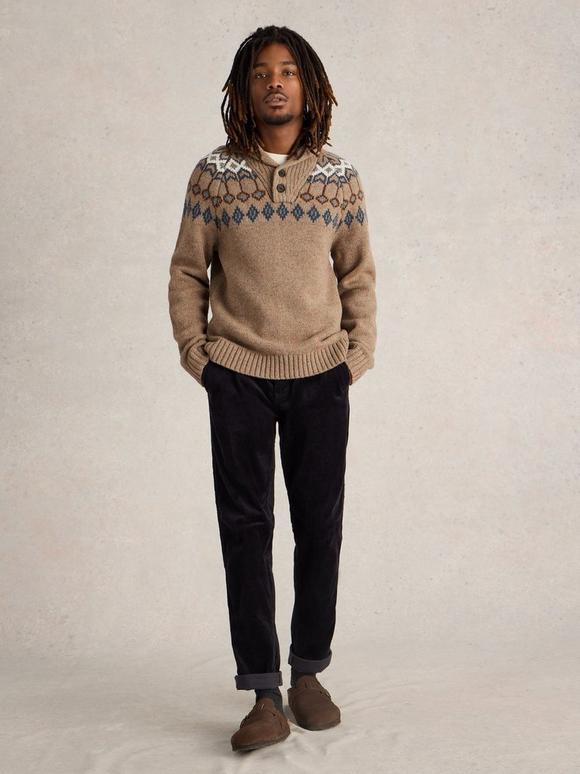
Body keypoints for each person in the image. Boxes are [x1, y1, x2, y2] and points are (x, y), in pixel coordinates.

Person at [168, 24, 377, 752]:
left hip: (321, 375)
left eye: (288, 71)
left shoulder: (339, 178)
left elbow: (358, 272)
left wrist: (355, 354)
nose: (275, 83)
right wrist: (201, 356)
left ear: (309, 86)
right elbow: (188, 270)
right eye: (261, 73)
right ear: (243, 90)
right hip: (239, 378)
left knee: (320, 526)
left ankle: (308, 672)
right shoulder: (213, 175)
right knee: (246, 530)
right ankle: (263, 692)